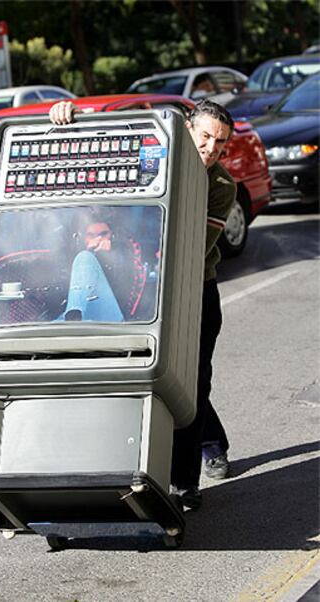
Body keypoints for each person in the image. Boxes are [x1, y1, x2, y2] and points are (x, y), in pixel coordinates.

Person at [49, 99, 236, 509]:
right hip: (134, 286)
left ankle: (183, 483)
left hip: (192, 291)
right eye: (204, 137)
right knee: (146, 374)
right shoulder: (151, 158)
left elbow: (193, 251)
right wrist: (69, 117)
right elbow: (108, 141)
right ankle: (205, 441)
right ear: (186, 128)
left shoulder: (221, 186)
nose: (211, 150)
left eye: (220, 144)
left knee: (190, 381)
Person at [63, 211, 147, 322]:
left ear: (112, 234)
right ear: (83, 237)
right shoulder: (72, 254)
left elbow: (126, 289)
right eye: (91, 235)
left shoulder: (124, 252)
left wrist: (109, 258)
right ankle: (73, 318)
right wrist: (89, 253)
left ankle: (73, 319)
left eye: (103, 234)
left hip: (111, 317)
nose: (98, 239)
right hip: (78, 314)